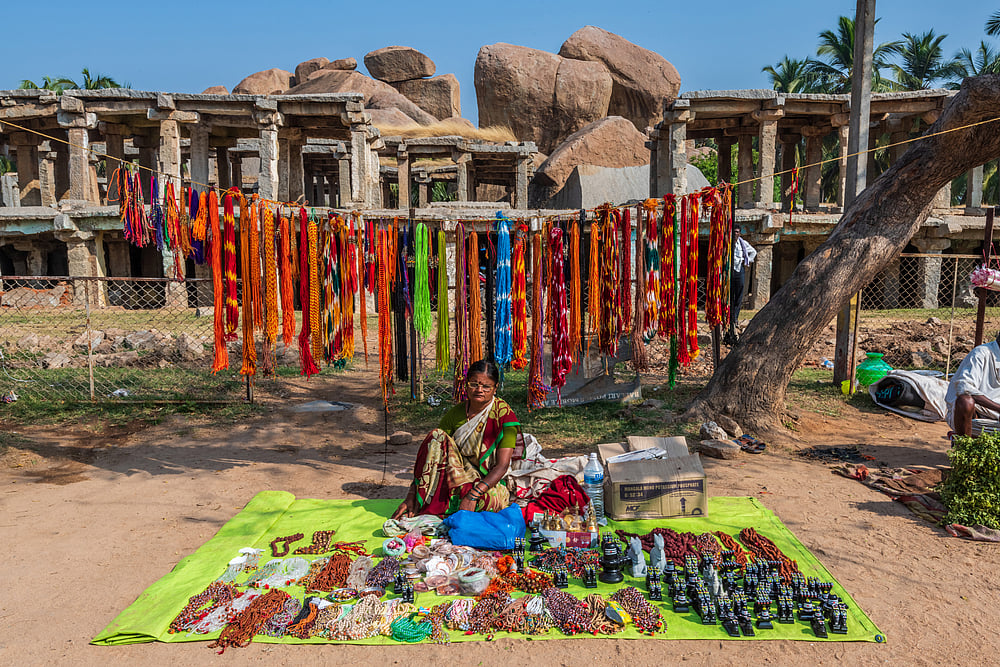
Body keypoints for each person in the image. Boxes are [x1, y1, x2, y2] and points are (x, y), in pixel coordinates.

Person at [392, 360, 520, 518]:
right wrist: (412, 495)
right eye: (474, 384)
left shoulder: (504, 416)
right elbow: (433, 453)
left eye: (486, 386)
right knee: (436, 436)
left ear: (495, 388)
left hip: (488, 481)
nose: (479, 390)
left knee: (487, 503)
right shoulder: (456, 414)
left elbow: (502, 466)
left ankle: (448, 503)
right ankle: (438, 502)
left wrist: (473, 495)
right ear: (466, 384)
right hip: (457, 475)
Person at [945, 330, 1000, 436]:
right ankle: (964, 444)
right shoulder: (981, 353)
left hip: (996, 414)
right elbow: (965, 388)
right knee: (965, 401)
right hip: (976, 412)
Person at [725, 228, 757, 346]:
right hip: (728, 271)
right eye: (734, 232)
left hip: (739, 270)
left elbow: (753, 252)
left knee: (739, 294)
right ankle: (726, 317)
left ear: (739, 233)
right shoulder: (726, 243)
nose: (735, 234)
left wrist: (747, 261)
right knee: (728, 294)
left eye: (737, 232)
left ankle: (735, 318)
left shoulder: (743, 244)